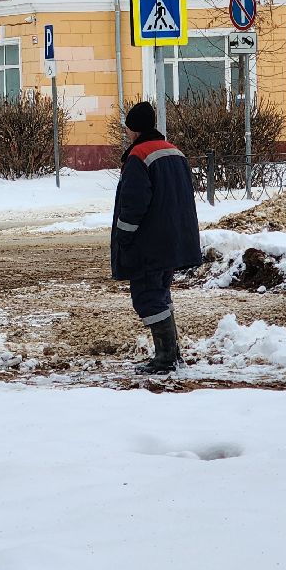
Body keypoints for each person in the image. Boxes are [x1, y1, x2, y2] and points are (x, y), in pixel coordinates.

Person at [112, 102, 201, 375]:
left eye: (127, 128)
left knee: (148, 296)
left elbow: (133, 204)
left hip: (149, 243)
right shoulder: (174, 151)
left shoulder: (139, 156)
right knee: (160, 293)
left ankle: (165, 358)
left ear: (134, 129)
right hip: (173, 239)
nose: (127, 133)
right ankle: (172, 354)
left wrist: (123, 238)